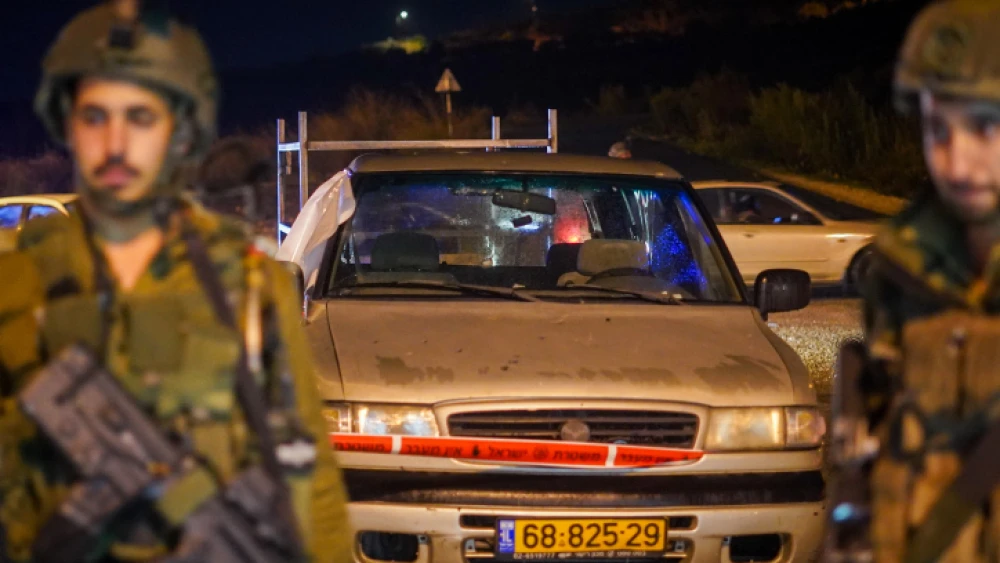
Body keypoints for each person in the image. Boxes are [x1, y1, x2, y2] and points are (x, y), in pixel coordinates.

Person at [0, 2, 351, 561]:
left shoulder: (242, 283)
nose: (116, 142)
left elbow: (308, 472)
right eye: (96, 116)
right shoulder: (18, 285)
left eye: (141, 116)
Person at [833, 1, 1000, 561]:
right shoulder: (900, 269)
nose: (958, 162)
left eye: (985, 126)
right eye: (937, 129)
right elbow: (875, 444)